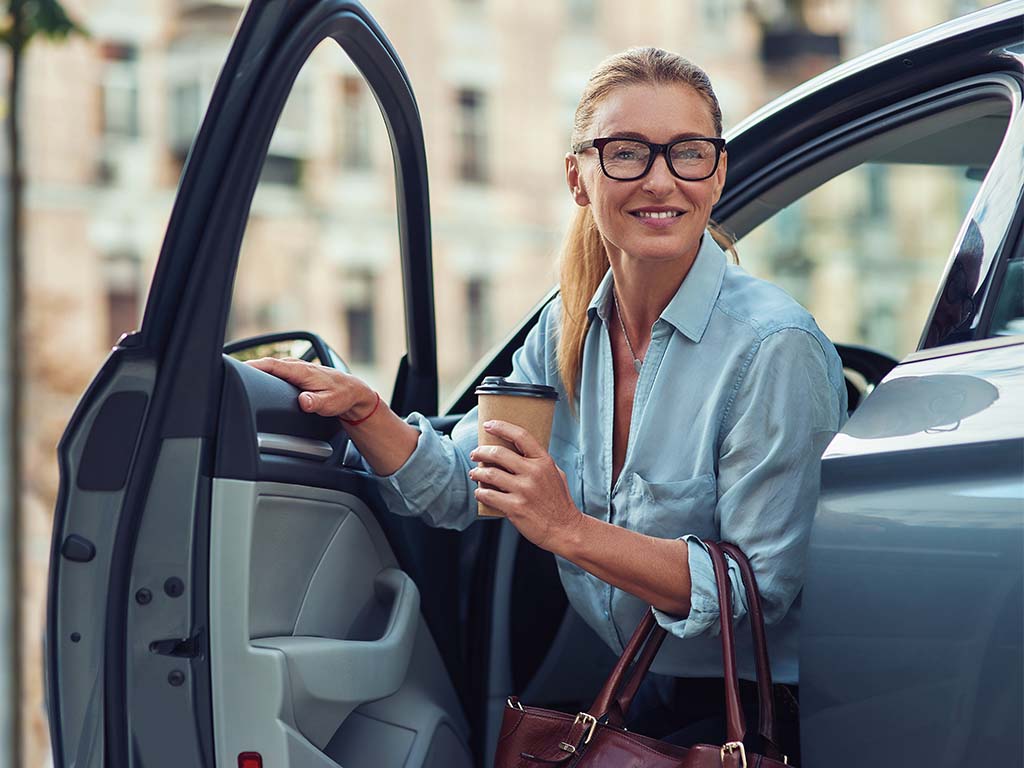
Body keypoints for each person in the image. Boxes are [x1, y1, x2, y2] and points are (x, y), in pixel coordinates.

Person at [250, 47, 846, 760]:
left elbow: (758, 588)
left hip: (754, 714)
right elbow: (462, 487)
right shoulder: (566, 332)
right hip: (635, 693)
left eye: (688, 153)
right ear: (578, 178)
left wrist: (567, 528)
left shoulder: (773, 347)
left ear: (717, 174)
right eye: (626, 153)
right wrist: (364, 414)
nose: (661, 179)